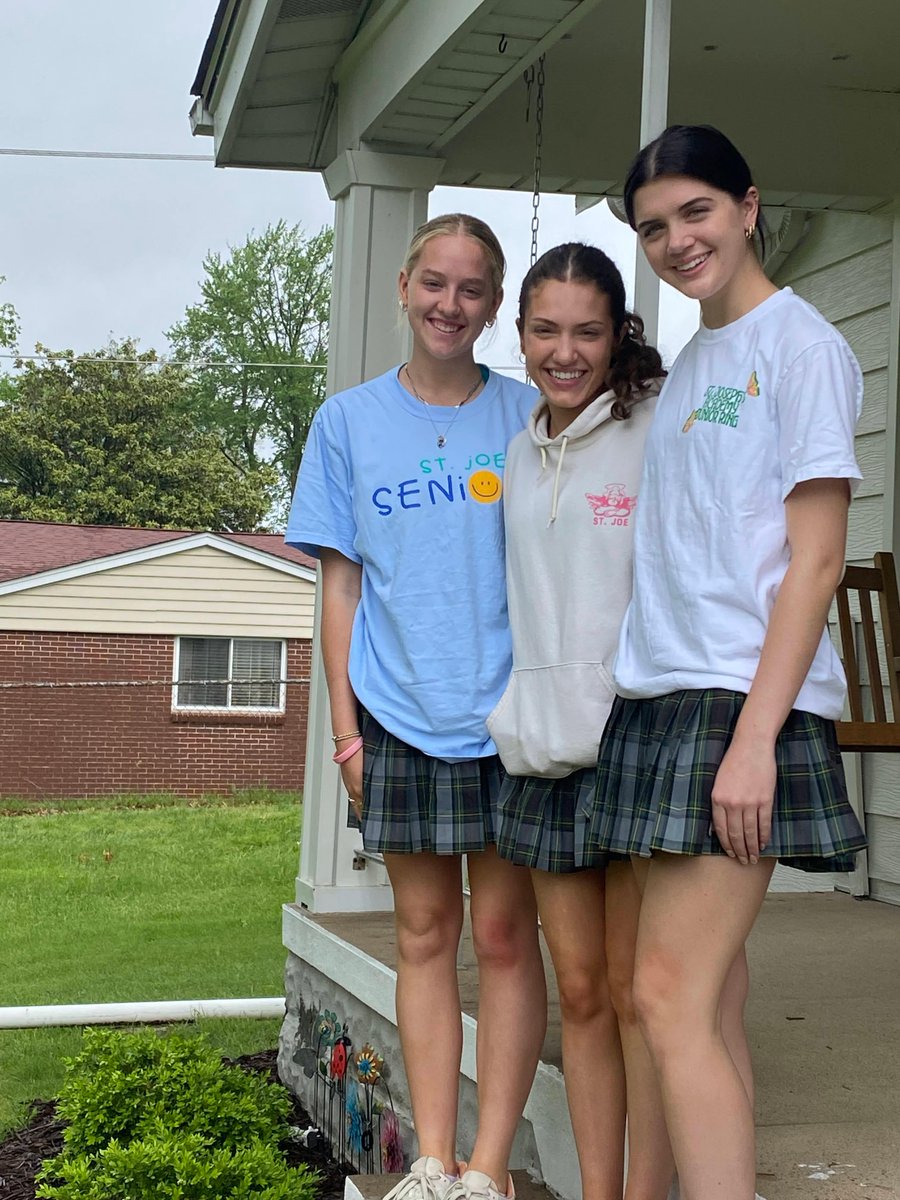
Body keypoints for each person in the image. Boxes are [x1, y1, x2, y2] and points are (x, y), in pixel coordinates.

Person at [588, 125, 868, 1200]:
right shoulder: (700, 360)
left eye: (695, 211)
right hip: (661, 698)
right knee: (699, 998)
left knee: (664, 991)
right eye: (653, 226)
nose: (675, 240)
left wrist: (755, 741)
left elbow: (818, 556)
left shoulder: (801, 348)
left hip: (740, 705)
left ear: (749, 206)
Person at [286, 213, 547, 1200]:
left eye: (472, 288)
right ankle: (433, 1159)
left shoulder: (527, 415)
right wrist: (348, 732)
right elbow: (341, 589)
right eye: (433, 282)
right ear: (403, 286)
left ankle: (490, 1168)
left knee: (504, 940)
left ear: (493, 304)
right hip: (399, 715)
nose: (450, 303)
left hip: (512, 719)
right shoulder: (348, 423)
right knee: (425, 935)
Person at [487, 242, 664, 1200]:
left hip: (634, 743)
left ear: (616, 334)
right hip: (542, 752)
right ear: (519, 335)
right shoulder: (516, 449)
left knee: (644, 998)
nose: (565, 351)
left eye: (587, 331)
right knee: (585, 995)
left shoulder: (656, 426)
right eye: (546, 330)